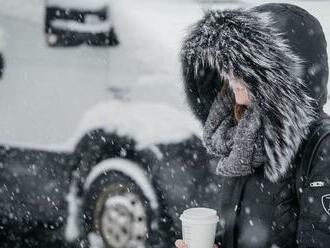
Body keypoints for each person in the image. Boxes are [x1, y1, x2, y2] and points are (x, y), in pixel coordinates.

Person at [175, 3, 330, 248]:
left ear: (280, 77)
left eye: (244, 66)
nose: (231, 75)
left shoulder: (322, 149)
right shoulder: (243, 138)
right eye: (229, 63)